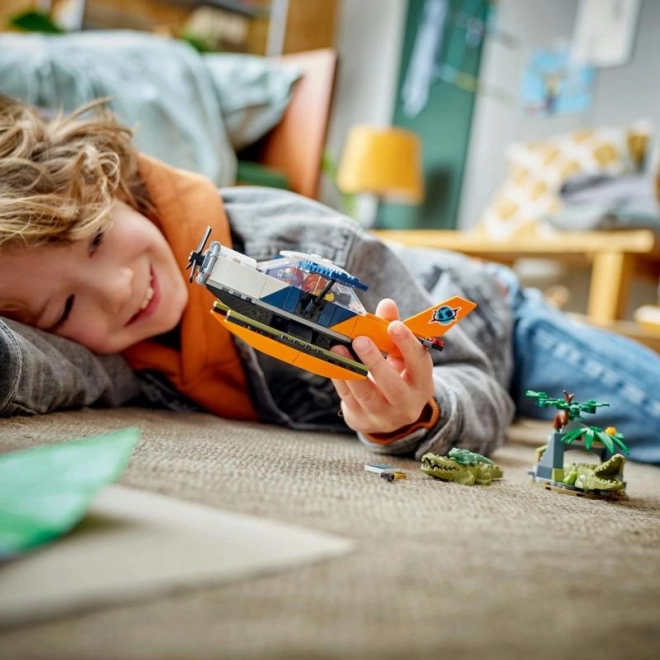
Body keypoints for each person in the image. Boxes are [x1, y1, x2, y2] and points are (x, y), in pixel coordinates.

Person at [0, 97, 658, 464]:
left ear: (116, 183)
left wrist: (417, 416)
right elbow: (50, 368)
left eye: (96, 240)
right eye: (63, 307)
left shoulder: (309, 244)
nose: (117, 288)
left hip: (501, 326)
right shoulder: (115, 345)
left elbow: (473, 381)